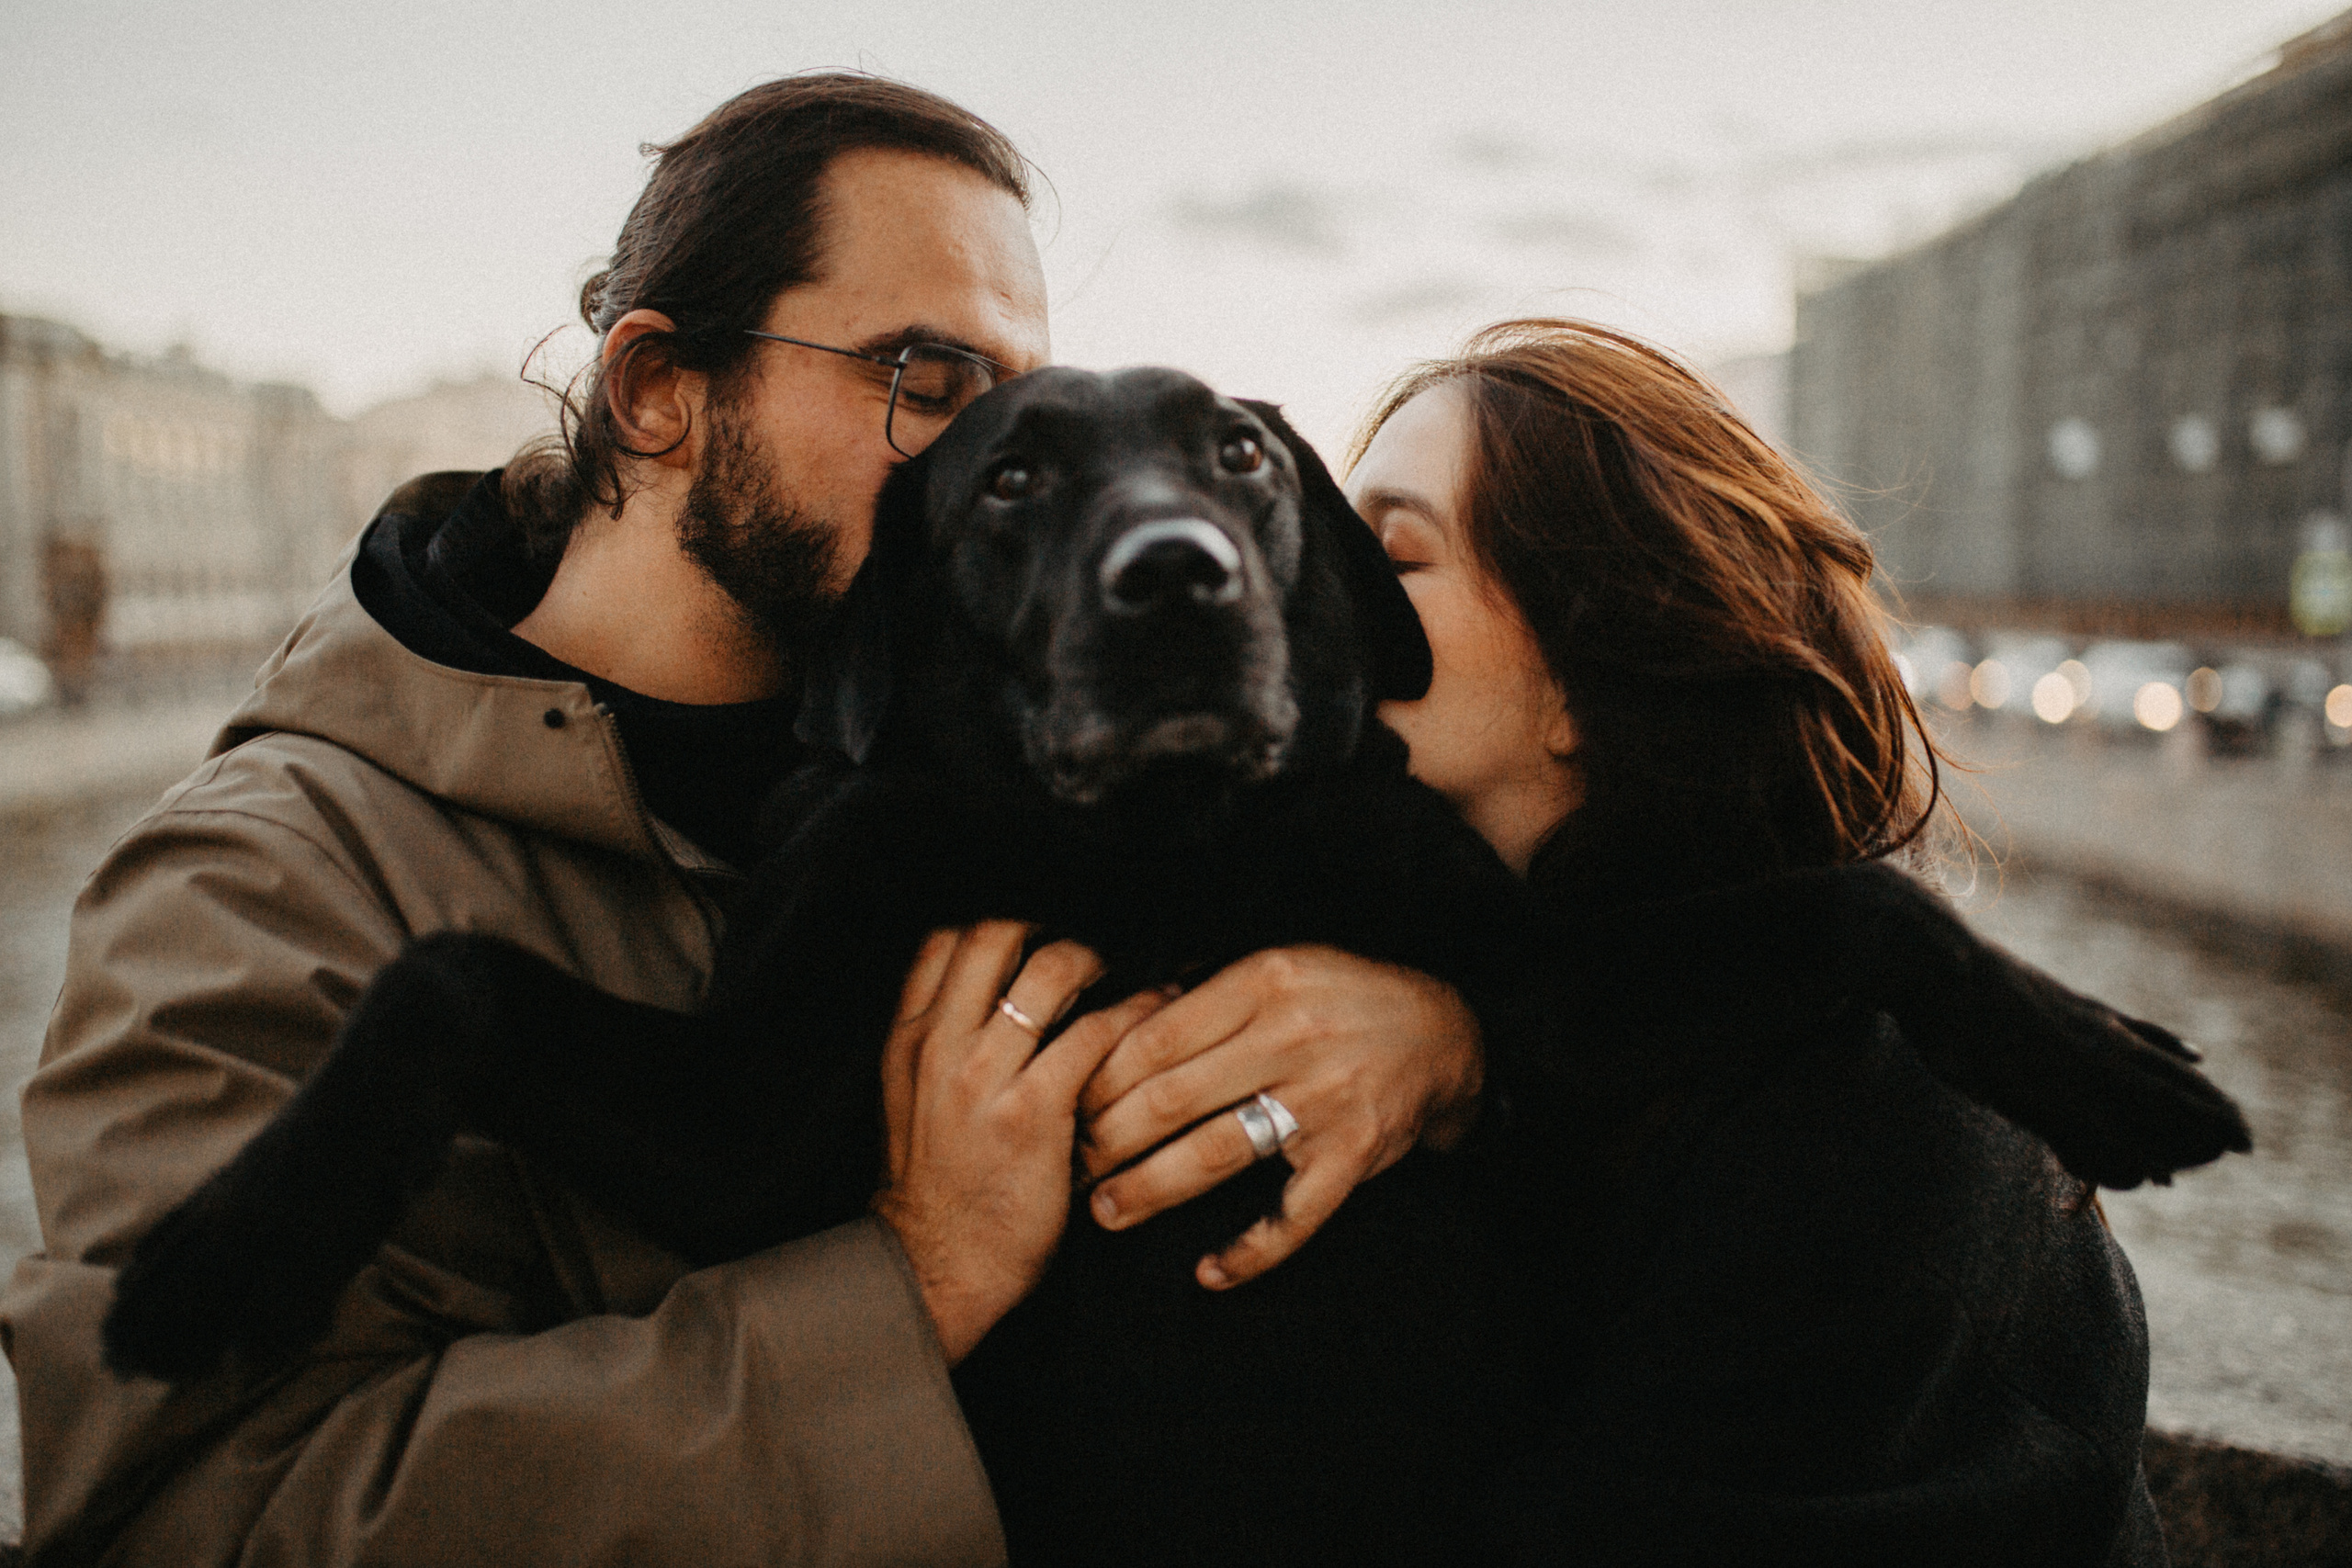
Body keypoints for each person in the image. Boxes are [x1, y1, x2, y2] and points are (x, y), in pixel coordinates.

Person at [4, 75, 1480, 1565]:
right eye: (924, 377)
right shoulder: (262, 882)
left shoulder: (987, 757)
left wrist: (1437, 1039)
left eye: (1020, 393)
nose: (1004, 462)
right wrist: (911, 1287)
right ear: (654, 391)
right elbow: (188, 1523)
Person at [1325, 317, 2240, 1564]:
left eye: (1390, 553)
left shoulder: (1868, 1109)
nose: (1314, 589)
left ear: (1590, 673)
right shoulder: (1475, 988)